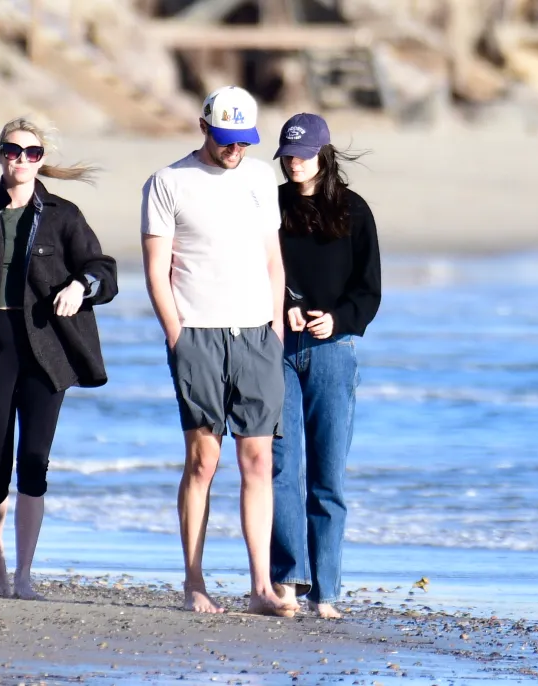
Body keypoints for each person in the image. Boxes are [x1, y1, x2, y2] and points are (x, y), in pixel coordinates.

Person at [0, 117, 118, 600]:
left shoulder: (63, 214)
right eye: (12, 151)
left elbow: (103, 270)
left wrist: (82, 286)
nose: (20, 160)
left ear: (40, 159)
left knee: (34, 461)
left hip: (48, 348)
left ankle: (24, 575)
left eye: (31, 152)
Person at [140, 86, 294, 617]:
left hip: (255, 335)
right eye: (226, 140)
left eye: (243, 141)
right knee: (204, 461)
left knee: (257, 457)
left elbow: (273, 259)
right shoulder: (167, 182)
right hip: (198, 334)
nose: (235, 151)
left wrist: (274, 326)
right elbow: (156, 270)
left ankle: (260, 588)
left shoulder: (258, 177)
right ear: (204, 127)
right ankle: (194, 582)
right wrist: (176, 334)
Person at [268, 113, 381, 619]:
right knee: (280, 468)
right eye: (287, 156)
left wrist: (336, 320)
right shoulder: (269, 205)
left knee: (328, 474)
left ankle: (327, 592)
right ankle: (288, 581)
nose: (294, 164)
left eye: (302, 155)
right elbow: (257, 268)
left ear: (323, 154)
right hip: (275, 349)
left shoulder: (354, 211)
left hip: (335, 352)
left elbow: (369, 291)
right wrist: (280, 305)